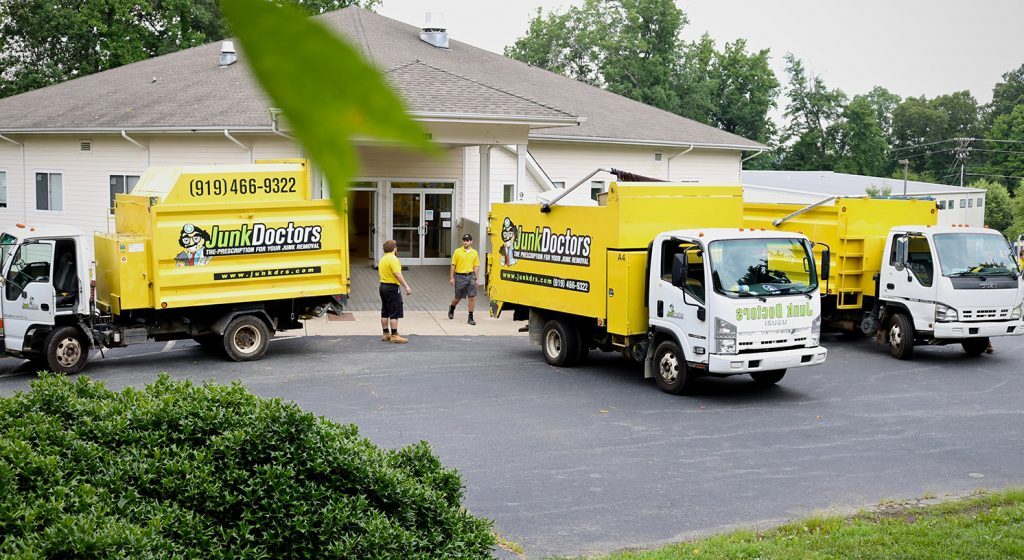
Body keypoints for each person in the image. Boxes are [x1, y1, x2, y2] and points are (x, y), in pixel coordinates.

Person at [378, 239, 412, 343]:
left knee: (385, 310)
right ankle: (394, 335)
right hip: (392, 287)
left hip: (382, 286)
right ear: (394, 249)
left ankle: (385, 333)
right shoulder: (393, 259)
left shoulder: (382, 259)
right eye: (396, 247)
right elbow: (397, 274)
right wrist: (406, 286)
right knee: (394, 311)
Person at [449, 233, 480, 325]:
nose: (465, 242)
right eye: (464, 240)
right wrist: (451, 277)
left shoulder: (474, 253)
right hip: (460, 276)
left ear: (471, 241)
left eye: (467, 240)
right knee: (457, 297)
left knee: (472, 297)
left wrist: (477, 278)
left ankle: (470, 317)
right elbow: (453, 265)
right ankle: (452, 307)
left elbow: (476, 266)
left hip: (471, 276)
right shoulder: (457, 251)